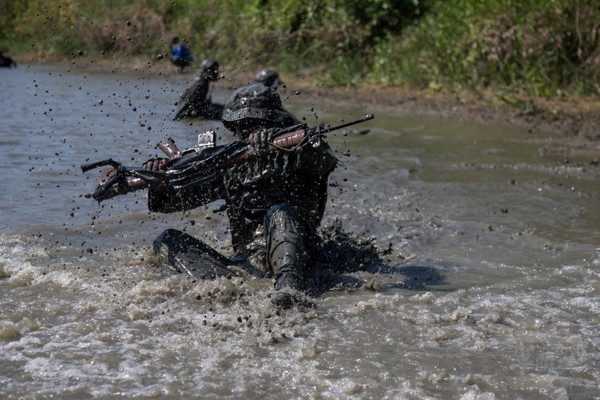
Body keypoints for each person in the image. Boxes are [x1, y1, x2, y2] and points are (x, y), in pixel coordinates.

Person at [144, 83, 337, 307]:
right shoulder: (232, 168)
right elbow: (168, 204)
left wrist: (293, 144)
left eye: (259, 123)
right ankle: (224, 292)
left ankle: (290, 290)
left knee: (280, 212)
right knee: (167, 240)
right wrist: (157, 182)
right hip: (247, 264)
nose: (251, 131)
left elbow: (324, 160)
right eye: (243, 125)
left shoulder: (297, 156)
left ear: (277, 123)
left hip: (298, 255)